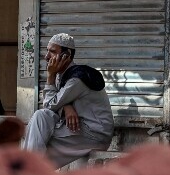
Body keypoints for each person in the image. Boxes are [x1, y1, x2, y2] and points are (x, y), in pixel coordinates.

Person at [22, 33, 114, 167]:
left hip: (94, 134)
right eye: (47, 51)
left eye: (52, 52)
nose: (47, 57)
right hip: (79, 129)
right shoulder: (63, 75)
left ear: (67, 55)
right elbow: (55, 103)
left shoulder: (77, 79)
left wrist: (50, 76)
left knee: (36, 141)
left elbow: (49, 104)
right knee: (40, 117)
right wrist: (66, 106)